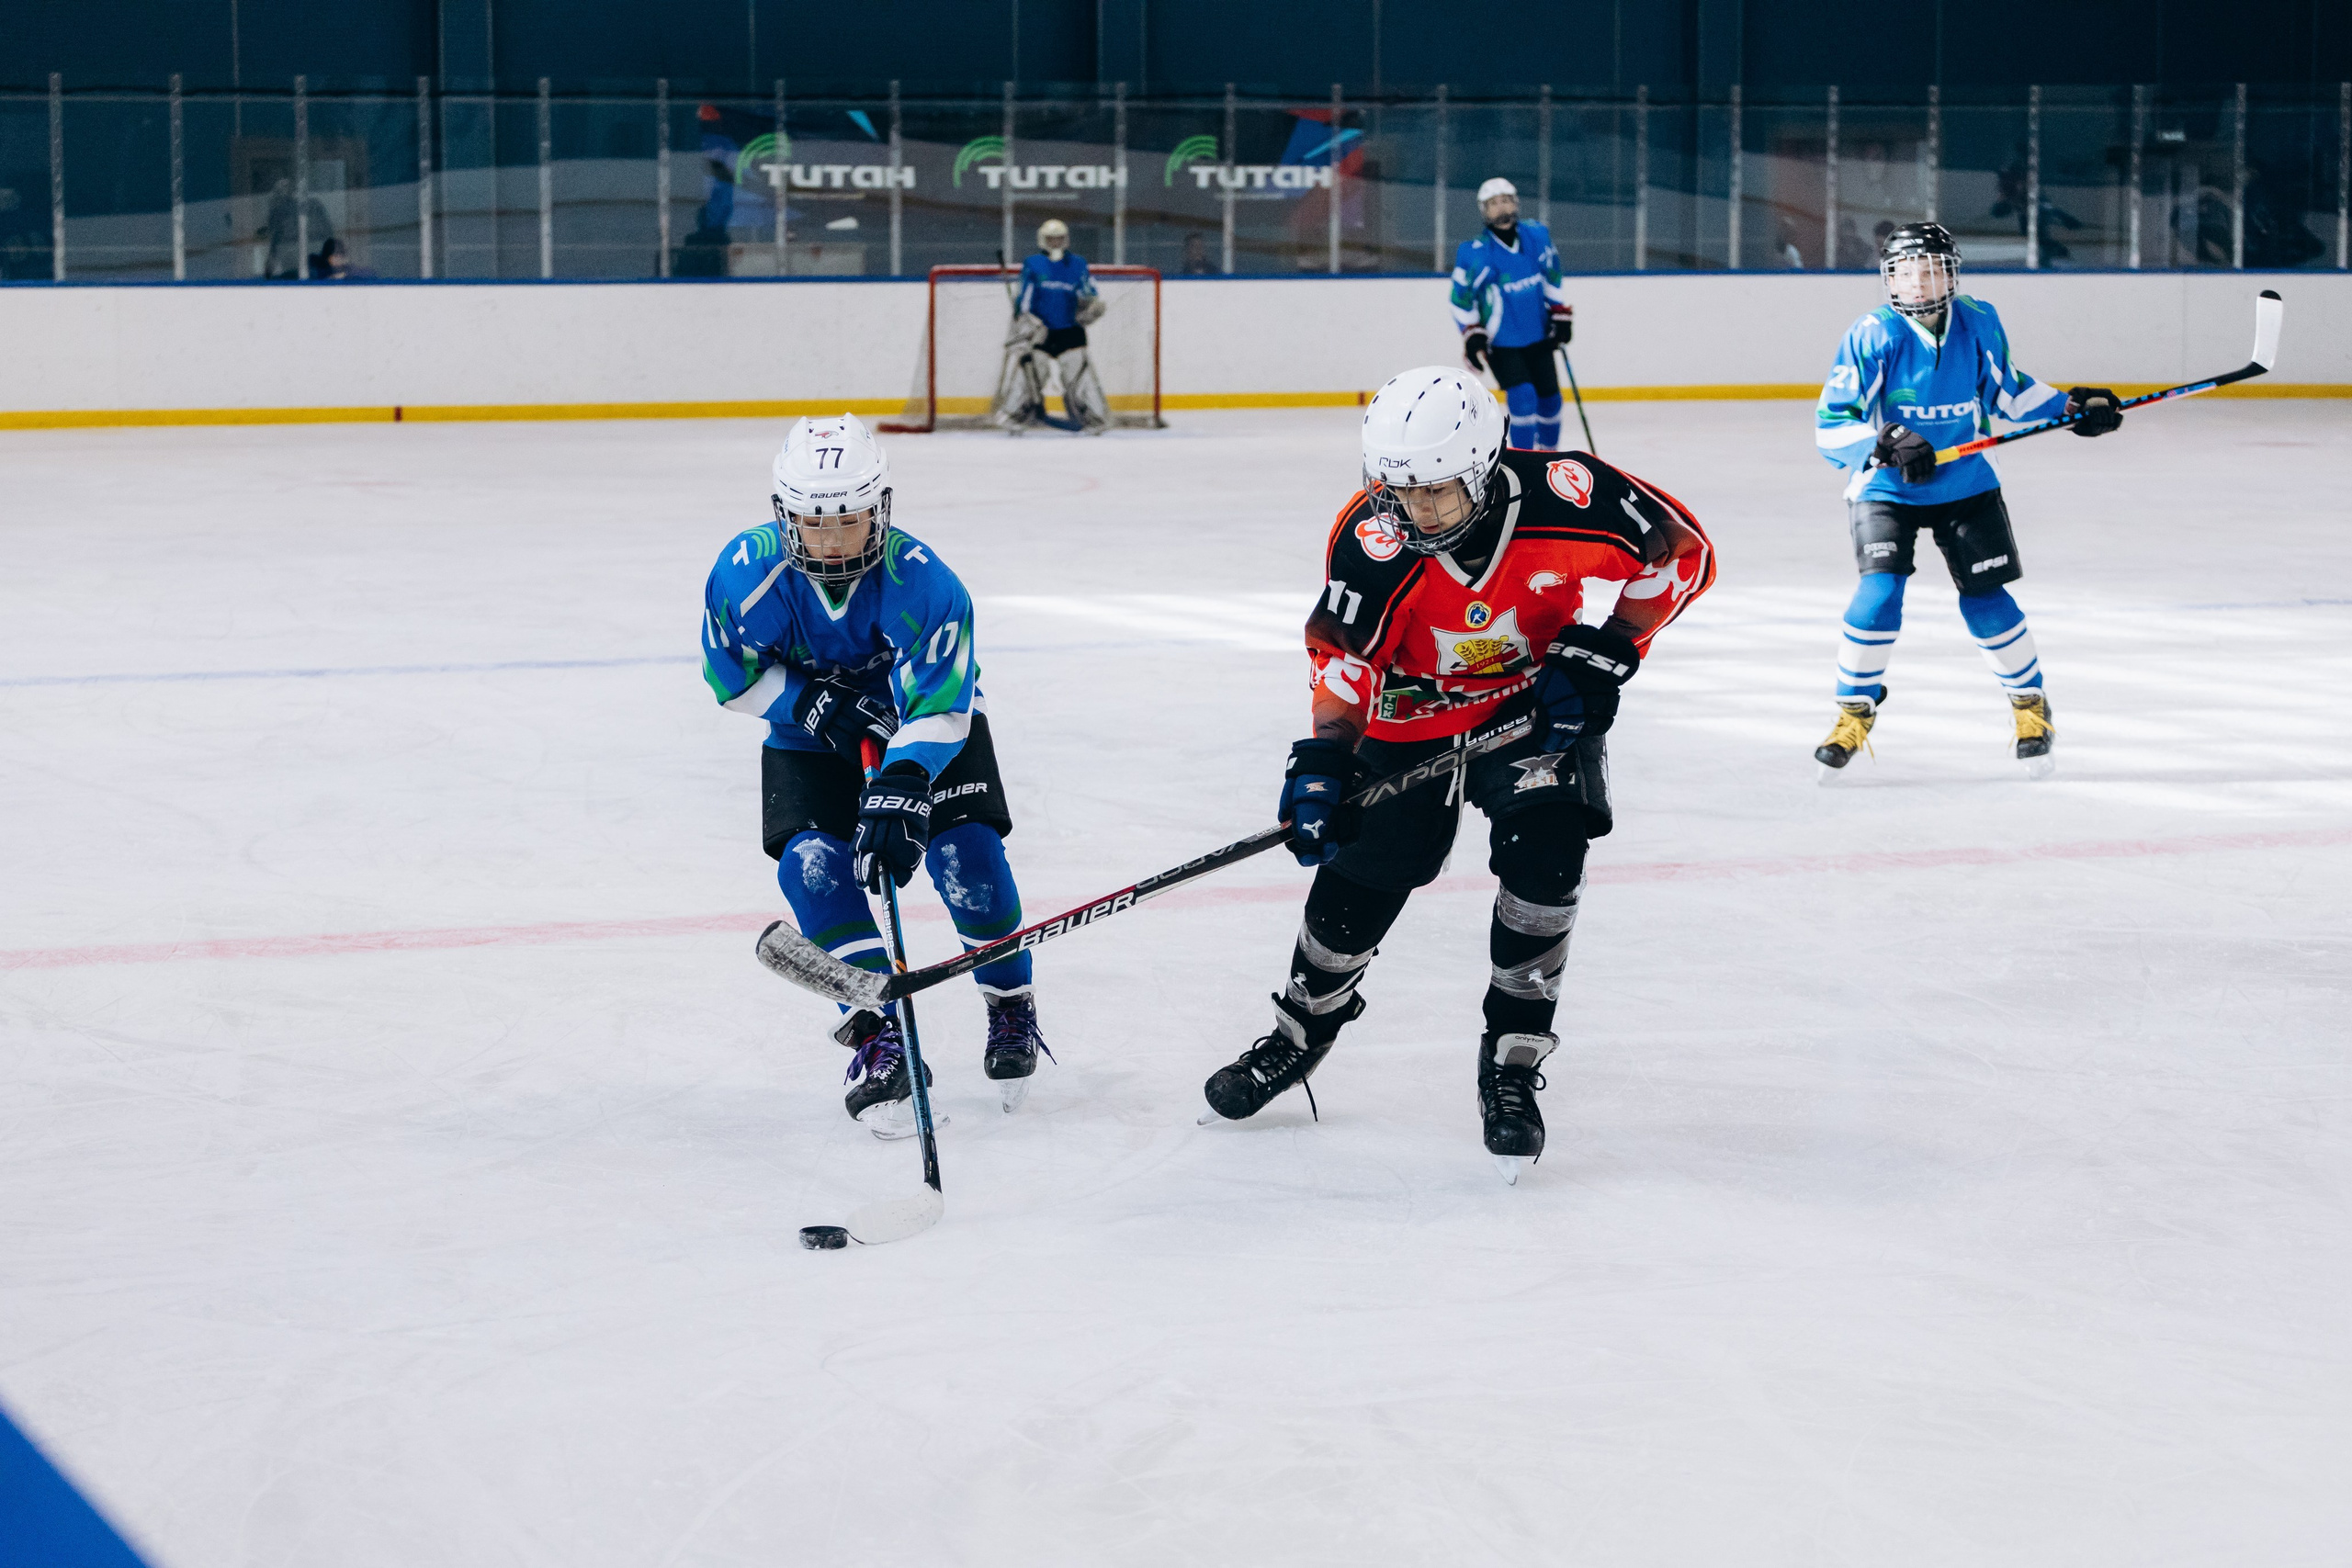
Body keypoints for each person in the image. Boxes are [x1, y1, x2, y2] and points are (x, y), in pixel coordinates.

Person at [1198, 366, 1715, 1182]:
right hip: (1411, 717)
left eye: (1436, 491)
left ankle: (1511, 1057)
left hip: (1535, 707)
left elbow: (1683, 554)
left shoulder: (1569, 497)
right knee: (1358, 877)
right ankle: (1300, 1033)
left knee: (1548, 860)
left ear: (1485, 466)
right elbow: (1344, 657)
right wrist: (1327, 758)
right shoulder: (1371, 540)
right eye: (1396, 490)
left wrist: (1608, 648)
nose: (1413, 512)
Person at [700, 414, 1052, 1129]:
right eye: (813, 524)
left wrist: (904, 780)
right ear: (784, 516)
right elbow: (728, 676)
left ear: (880, 510)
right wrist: (809, 703)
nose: (831, 542)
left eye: (850, 522)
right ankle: (878, 1030)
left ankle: (1010, 1001)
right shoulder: (743, 574)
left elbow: (944, 704)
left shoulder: (925, 584)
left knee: (968, 857)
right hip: (807, 739)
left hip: (923, 728)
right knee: (811, 868)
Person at [1811, 222, 2122, 780]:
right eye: (1907, 272)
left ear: (1950, 273)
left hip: (1967, 483)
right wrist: (1885, 441)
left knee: (1985, 598)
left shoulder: (1979, 320)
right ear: (1891, 279)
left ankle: (2031, 706)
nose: (1920, 281)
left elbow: (2007, 391)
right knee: (1878, 595)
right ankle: (1853, 712)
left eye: (1931, 269)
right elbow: (1833, 423)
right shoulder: (1873, 334)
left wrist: (2073, 409)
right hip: (1889, 487)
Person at [1449, 178, 1575, 450]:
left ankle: (1548, 459)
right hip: (1502, 342)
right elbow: (1459, 299)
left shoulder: (1536, 236)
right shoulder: (1474, 253)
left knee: (1551, 400)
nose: (1501, 207)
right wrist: (1471, 334)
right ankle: (1526, 462)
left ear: (1516, 202)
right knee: (1522, 396)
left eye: (1506, 200)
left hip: (1538, 333)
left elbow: (1552, 274)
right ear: (1484, 211)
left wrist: (1560, 313)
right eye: (1494, 203)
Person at [995, 219, 1111, 434]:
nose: (1056, 243)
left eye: (1059, 238)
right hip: (1041, 332)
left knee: (1079, 376)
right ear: (1043, 240)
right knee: (1031, 373)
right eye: (1051, 239)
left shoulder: (1077, 264)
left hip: (1071, 331)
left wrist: (1091, 305)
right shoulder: (1033, 264)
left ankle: (1094, 419)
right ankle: (1013, 415)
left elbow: (1088, 291)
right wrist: (1024, 322)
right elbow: (1024, 298)